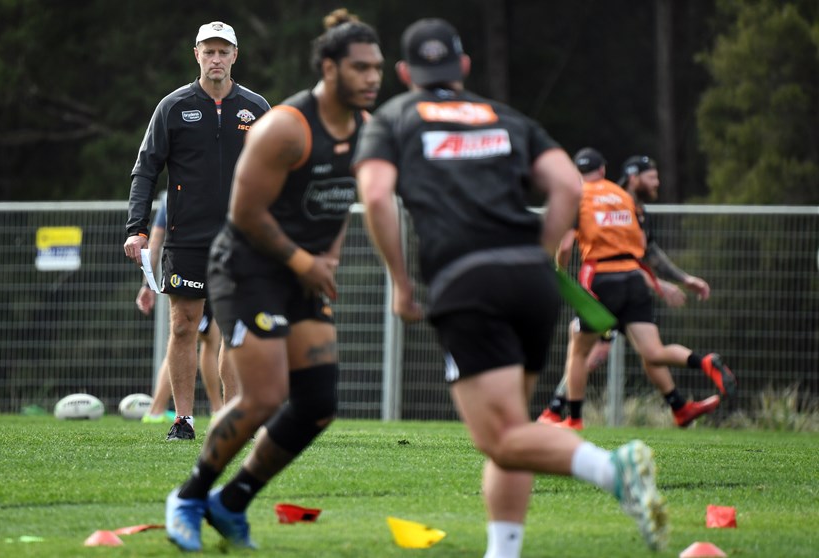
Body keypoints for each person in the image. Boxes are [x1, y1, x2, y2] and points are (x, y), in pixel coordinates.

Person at [353, 18, 668, 556]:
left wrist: (401, 284)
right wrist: (538, 260)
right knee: (514, 434)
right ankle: (504, 551)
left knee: (498, 437)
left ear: (405, 73)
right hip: (530, 282)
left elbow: (378, 197)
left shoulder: (394, 118)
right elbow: (569, 184)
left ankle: (612, 469)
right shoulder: (506, 118)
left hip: (467, 283)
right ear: (464, 68)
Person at [164, 9, 383, 551]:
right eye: (361, 68)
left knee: (318, 404)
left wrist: (324, 262)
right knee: (262, 398)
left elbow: (339, 206)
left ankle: (231, 502)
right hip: (246, 265)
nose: (373, 78)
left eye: (377, 67)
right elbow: (244, 215)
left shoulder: (365, 130)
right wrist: (303, 262)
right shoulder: (286, 123)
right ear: (330, 69)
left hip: (298, 270)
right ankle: (188, 498)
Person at [123, 21, 270, 441]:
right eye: (209, 51)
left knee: (236, 327)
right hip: (187, 236)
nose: (216, 59)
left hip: (243, 238)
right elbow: (145, 170)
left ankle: (233, 417)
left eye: (224, 51)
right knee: (185, 325)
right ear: (197, 55)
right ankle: (183, 420)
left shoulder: (257, 107)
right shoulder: (173, 106)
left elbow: (279, 168)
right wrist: (137, 228)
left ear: (235, 56)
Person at [542, 148, 736, 431]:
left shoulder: (578, 195)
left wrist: (558, 270)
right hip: (634, 279)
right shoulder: (625, 199)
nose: (656, 182)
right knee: (654, 352)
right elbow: (645, 249)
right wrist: (662, 282)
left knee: (580, 352)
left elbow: (568, 244)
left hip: (602, 279)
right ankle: (703, 363)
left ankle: (570, 418)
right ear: (604, 170)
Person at [134, 192, 224, 423]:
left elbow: (155, 241)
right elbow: (154, 240)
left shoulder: (174, 192)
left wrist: (147, 284)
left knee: (191, 338)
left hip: (210, 267)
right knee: (198, 339)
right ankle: (217, 410)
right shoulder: (176, 194)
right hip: (202, 269)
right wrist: (148, 284)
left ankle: (158, 409)